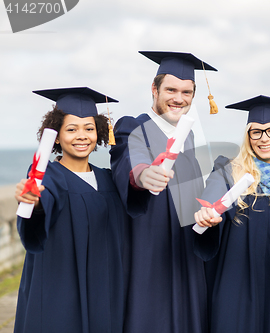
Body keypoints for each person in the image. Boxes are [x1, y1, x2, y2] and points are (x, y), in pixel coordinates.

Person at [110, 51, 216, 332]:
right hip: (148, 250)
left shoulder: (189, 135)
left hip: (185, 251)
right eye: (170, 89)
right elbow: (129, 160)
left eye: (186, 92)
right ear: (154, 89)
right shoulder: (133, 126)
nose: (178, 98)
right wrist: (144, 175)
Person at [14, 87, 126, 333]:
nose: (82, 136)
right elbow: (43, 200)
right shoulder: (49, 177)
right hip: (60, 284)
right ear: (55, 136)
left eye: (89, 128)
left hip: (102, 287)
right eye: (71, 129)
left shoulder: (108, 179)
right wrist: (34, 202)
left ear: (99, 132)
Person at [193, 95, 270, 332]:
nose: (264, 139)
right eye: (256, 132)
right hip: (235, 285)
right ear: (248, 137)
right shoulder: (227, 173)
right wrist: (207, 214)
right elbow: (212, 201)